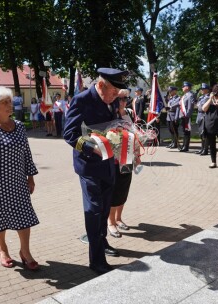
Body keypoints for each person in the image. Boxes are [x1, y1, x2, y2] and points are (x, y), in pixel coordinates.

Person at [63, 67, 129, 275]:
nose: (114, 98)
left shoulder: (113, 100)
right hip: (90, 165)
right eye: (111, 93)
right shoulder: (82, 100)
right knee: (94, 210)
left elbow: (114, 126)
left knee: (105, 207)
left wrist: (128, 137)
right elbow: (70, 134)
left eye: (116, 95)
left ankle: (102, 242)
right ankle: (96, 259)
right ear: (100, 85)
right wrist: (94, 147)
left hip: (109, 164)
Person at [0, 86, 40, 270]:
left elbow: (27, 154)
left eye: (9, 101)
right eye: (4, 103)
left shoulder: (20, 126)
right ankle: (3, 249)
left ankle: (25, 252)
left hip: (19, 183)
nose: (9, 105)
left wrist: (31, 177)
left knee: (24, 217)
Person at [107, 89, 138, 238]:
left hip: (127, 157)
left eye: (125, 99)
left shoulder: (128, 113)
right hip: (114, 159)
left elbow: (133, 133)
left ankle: (119, 218)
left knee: (124, 189)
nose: (123, 102)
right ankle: (111, 222)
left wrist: (137, 154)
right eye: (120, 99)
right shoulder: (109, 114)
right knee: (115, 190)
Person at [178, 81, 196, 152]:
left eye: (183, 86)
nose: (182, 87)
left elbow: (190, 107)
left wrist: (187, 116)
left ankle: (186, 146)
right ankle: (184, 145)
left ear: (187, 87)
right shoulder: (184, 95)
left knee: (187, 131)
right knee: (184, 131)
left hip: (186, 116)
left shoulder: (190, 95)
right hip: (183, 116)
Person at [195, 83, 210, 156]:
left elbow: (201, 107)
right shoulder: (201, 97)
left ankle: (205, 149)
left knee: (205, 134)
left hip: (204, 116)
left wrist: (199, 106)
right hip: (199, 115)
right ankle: (202, 148)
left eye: (203, 89)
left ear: (207, 90)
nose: (201, 90)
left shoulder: (208, 97)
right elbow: (198, 105)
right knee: (201, 133)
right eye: (201, 89)